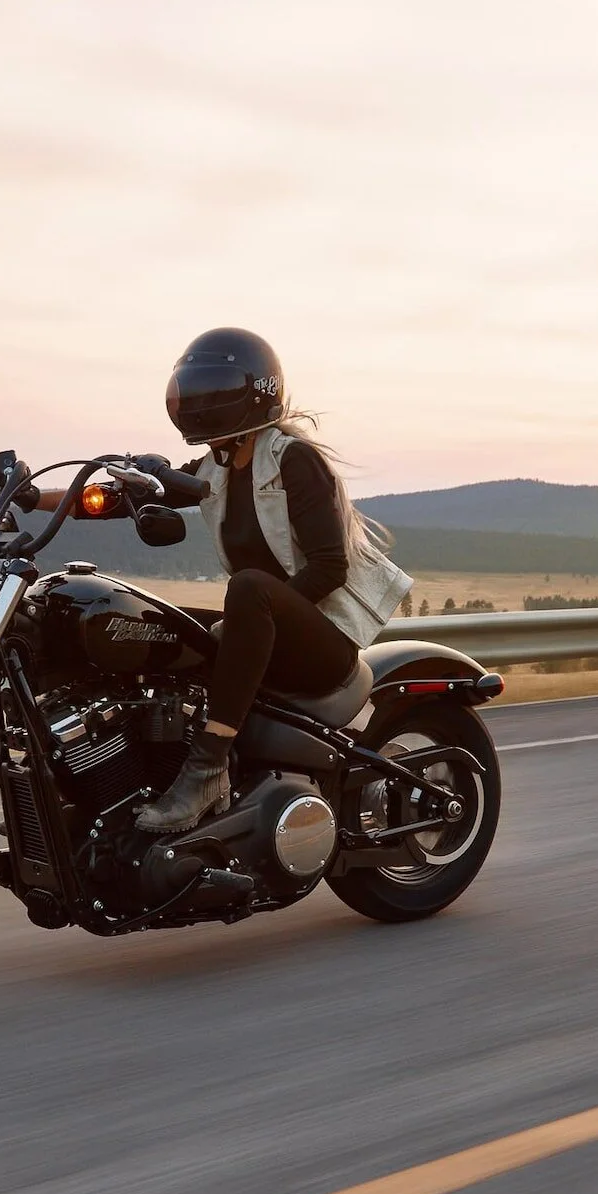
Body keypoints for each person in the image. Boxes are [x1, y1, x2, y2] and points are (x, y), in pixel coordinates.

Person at [137, 327, 413, 831]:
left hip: (323, 643)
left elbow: (330, 567)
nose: (198, 402)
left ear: (251, 394)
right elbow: (138, 496)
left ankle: (208, 766)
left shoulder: (293, 460)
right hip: (271, 626)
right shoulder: (215, 466)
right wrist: (32, 498)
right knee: (160, 627)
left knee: (247, 587)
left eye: (212, 390)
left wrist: (264, 614)